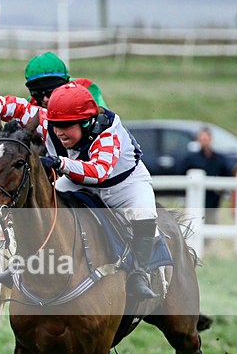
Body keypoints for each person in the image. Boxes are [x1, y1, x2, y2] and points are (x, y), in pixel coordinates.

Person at [41, 82, 158, 299]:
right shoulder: (58, 125)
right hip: (81, 181)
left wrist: (60, 163)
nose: (58, 132)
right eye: (55, 125)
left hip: (126, 185)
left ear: (86, 123)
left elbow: (98, 171)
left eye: (66, 126)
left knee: (144, 213)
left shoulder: (108, 133)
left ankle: (139, 274)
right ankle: (25, 262)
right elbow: (24, 110)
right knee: (45, 201)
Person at [0, 51, 107, 161]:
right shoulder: (32, 104)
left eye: (51, 92)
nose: (45, 100)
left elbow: (101, 123)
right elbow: (18, 110)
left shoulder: (86, 90)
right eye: (38, 94)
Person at [182, 126, 231, 225]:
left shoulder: (219, 159)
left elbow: (226, 175)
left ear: (211, 139)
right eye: (202, 139)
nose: (204, 141)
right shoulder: (191, 159)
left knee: (211, 223)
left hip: (213, 199)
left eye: (206, 138)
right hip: (194, 198)